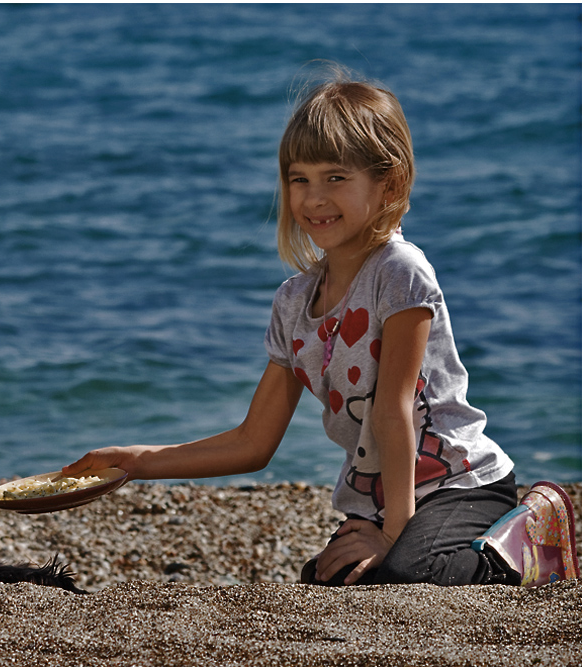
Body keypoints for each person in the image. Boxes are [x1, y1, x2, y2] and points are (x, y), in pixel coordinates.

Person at [63, 72, 579, 588]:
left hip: (461, 486)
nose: (314, 198)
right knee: (327, 583)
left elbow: (393, 408)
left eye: (335, 178)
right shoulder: (294, 301)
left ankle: (529, 538)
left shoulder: (400, 272)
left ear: (390, 183)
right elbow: (253, 442)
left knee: (408, 574)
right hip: (383, 497)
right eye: (299, 179)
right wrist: (131, 462)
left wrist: (391, 534)